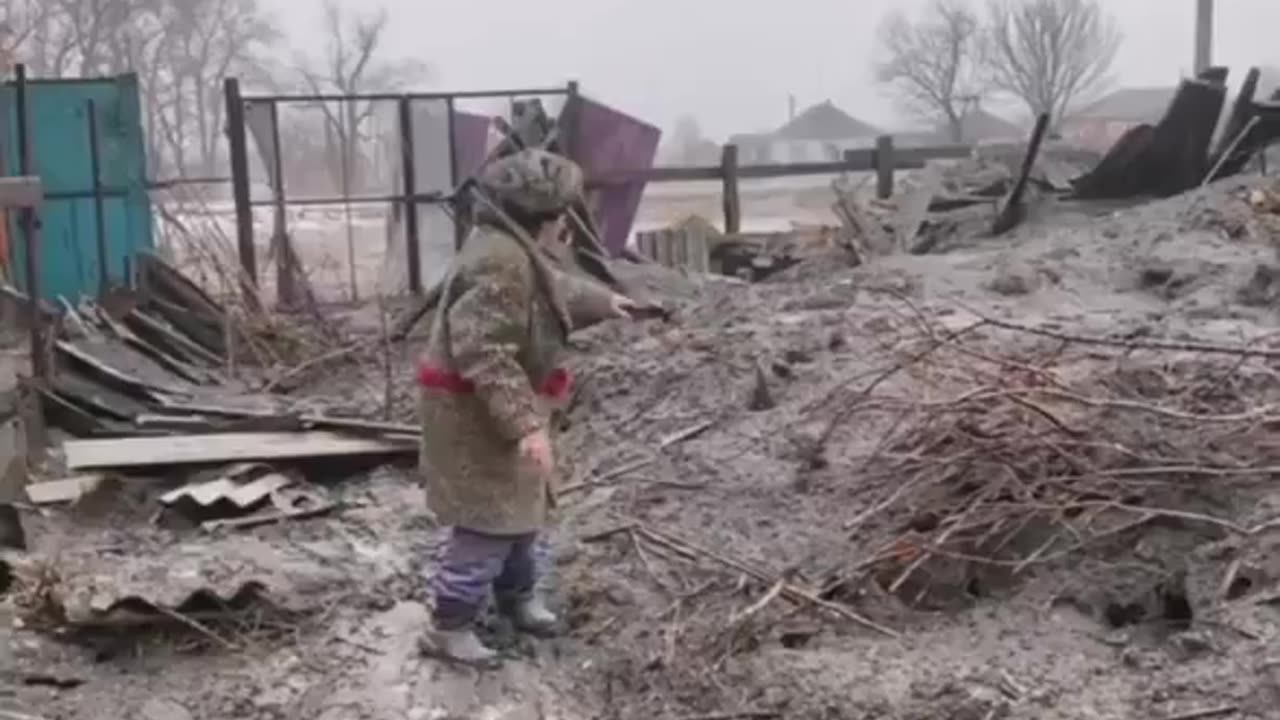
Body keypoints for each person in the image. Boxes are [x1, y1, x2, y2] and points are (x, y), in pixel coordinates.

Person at [416, 148, 645, 667]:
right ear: (546, 218)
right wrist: (525, 427)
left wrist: (604, 302)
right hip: (476, 417)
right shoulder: (496, 261)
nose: (568, 223)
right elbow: (485, 352)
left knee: (523, 512)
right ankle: (448, 626)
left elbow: (550, 291)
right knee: (485, 522)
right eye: (564, 213)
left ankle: (517, 598)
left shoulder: (511, 248)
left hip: (499, 410)